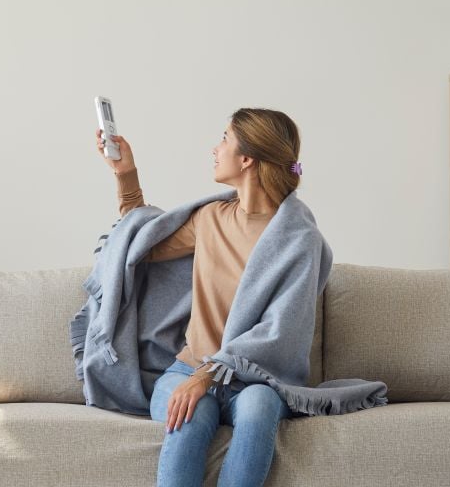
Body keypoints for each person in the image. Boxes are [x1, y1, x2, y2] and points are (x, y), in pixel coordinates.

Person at [93, 107, 306, 487]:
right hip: (185, 370)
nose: (215, 148)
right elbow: (140, 241)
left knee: (259, 408)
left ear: (246, 159)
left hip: (258, 381)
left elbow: (280, 331)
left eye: (224, 139)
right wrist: (126, 175)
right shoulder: (211, 219)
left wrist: (207, 376)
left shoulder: (297, 238)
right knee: (190, 412)